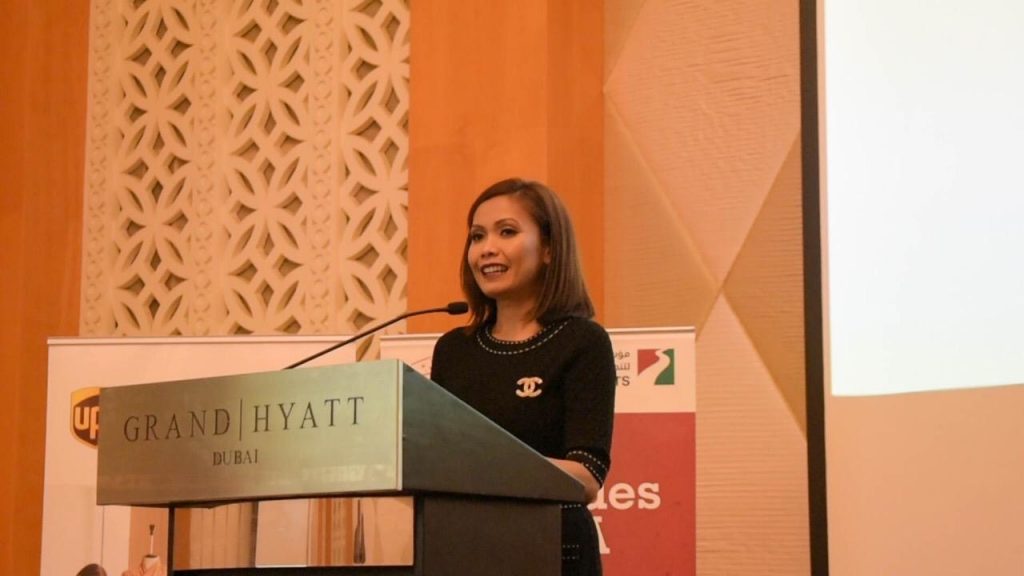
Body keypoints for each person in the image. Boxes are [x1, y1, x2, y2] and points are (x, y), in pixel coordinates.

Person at [430, 177, 616, 575]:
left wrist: (487, 465)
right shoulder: (453, 350)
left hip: (552, 545)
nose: (487, 248)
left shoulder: (582, 342)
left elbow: (587, 476)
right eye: (477, 236)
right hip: (461, 546)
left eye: (507, 232)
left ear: (549, 249)